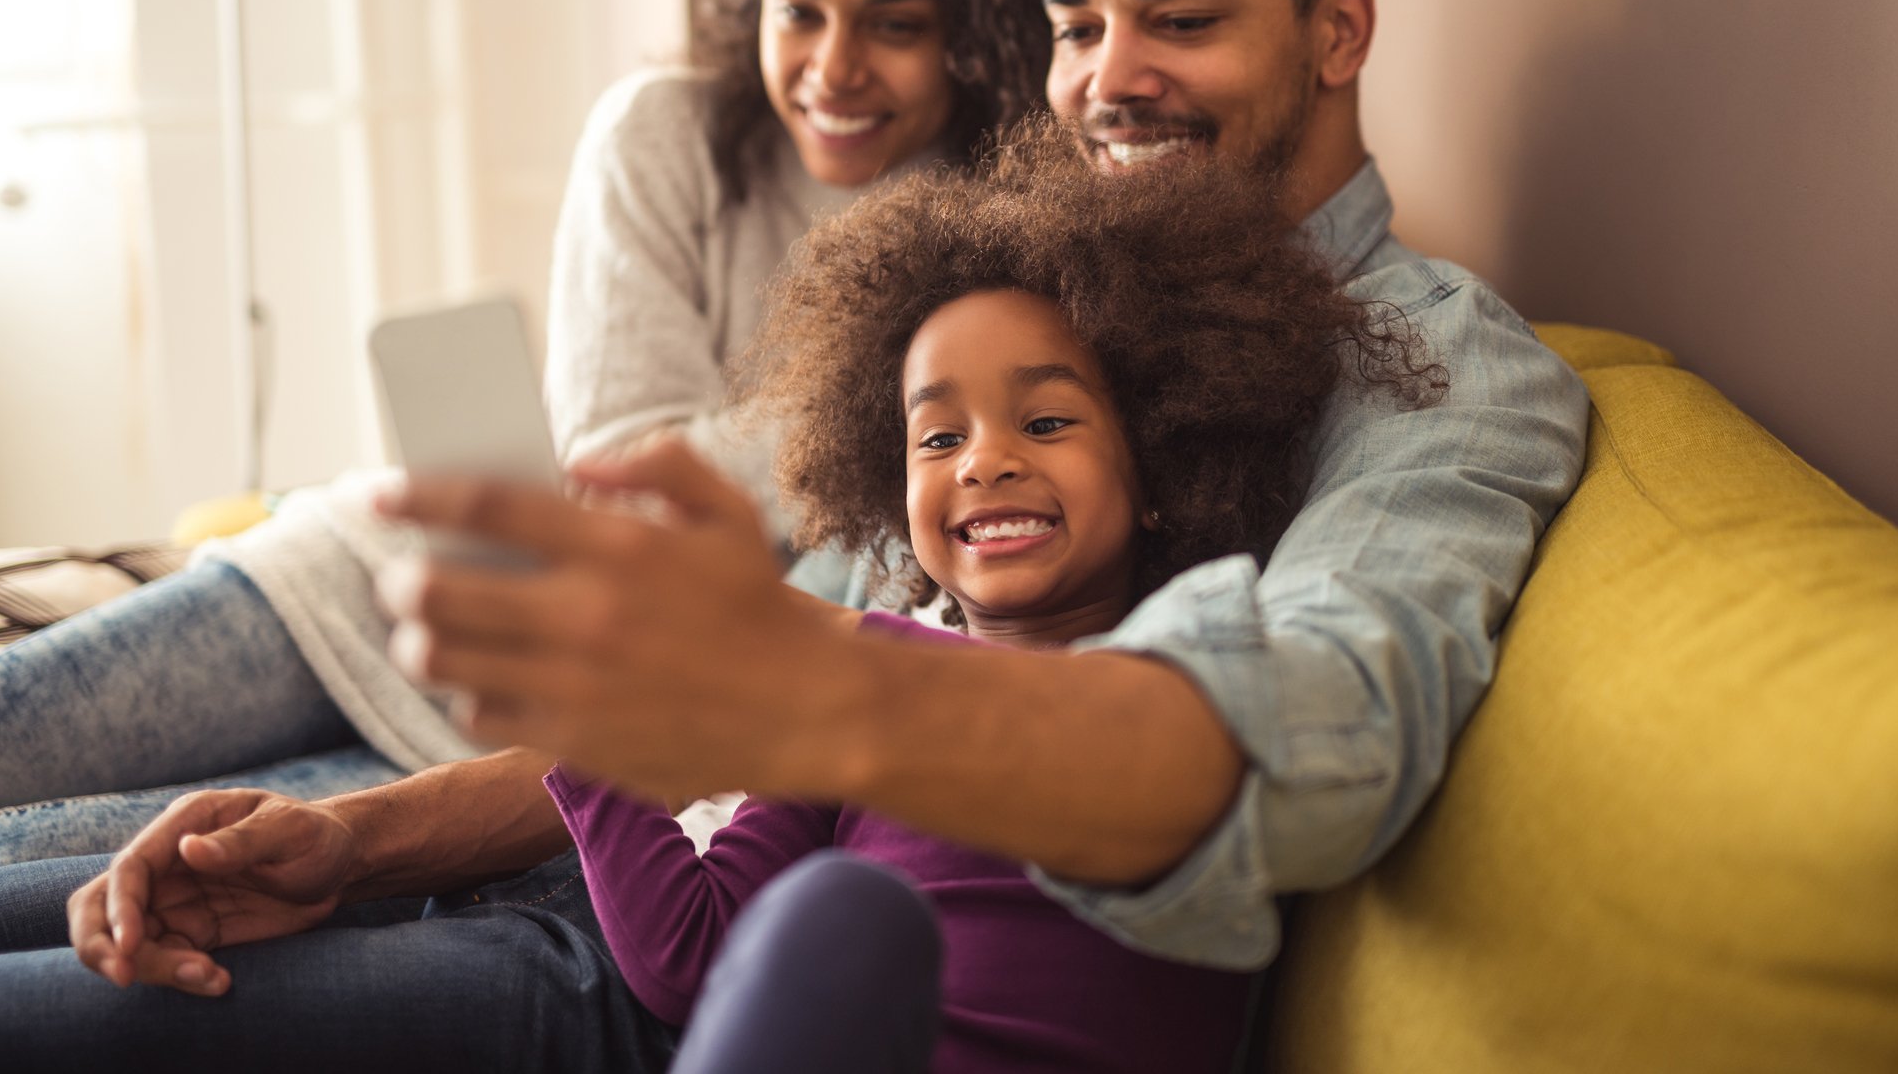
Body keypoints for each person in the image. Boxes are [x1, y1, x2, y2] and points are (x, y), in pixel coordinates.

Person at [3, 0, 1589, 1057]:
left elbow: (1309, 731)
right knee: (67, 876)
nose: (1110, 78)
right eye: (1074, 23)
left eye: (1179, 17)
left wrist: (828, 689)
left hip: (709, 986)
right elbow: (764, 678)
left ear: (1339, 28)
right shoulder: (1029, 285)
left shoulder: (1439, 374)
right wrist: (363, 844)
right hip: (632, 880)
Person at [0, 0, 1104, 864]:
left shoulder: (1008, 233)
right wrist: (876, 400)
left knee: (77, 857)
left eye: (897, 24)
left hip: (549, 752)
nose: (830, 68)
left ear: (987, 23)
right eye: (796, 9)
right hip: (366, 586)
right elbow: (624, 491)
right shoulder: (662, 137)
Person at [551, 125, 1446, 1072]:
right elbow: (693, 956)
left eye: (1047, 421)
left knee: (843, 908)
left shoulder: (1182, 690)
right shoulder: (855, 697)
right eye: (937, 439)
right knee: (841, 916)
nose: (984, 461)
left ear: (1159, 466)